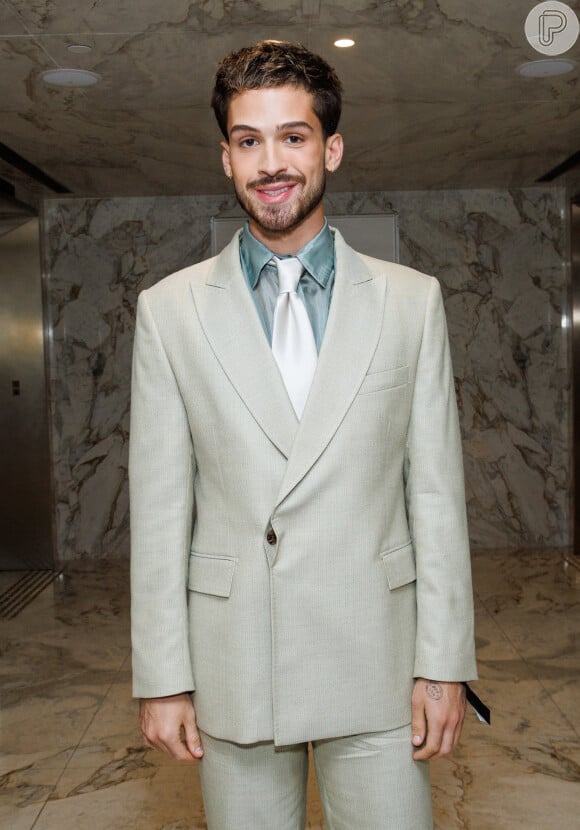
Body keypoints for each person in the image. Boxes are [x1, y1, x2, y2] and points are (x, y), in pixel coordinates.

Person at [130, 39, 477, 830]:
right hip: (233, 661)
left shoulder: (410, 302)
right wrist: (162, 676)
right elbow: (156, 510)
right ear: (226, 158)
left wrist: (445, 664)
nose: (271, 162)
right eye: (249, 141)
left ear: (332, 148)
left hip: (379, 661)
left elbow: (435, 496)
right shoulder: (170, 310)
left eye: (293, 136)